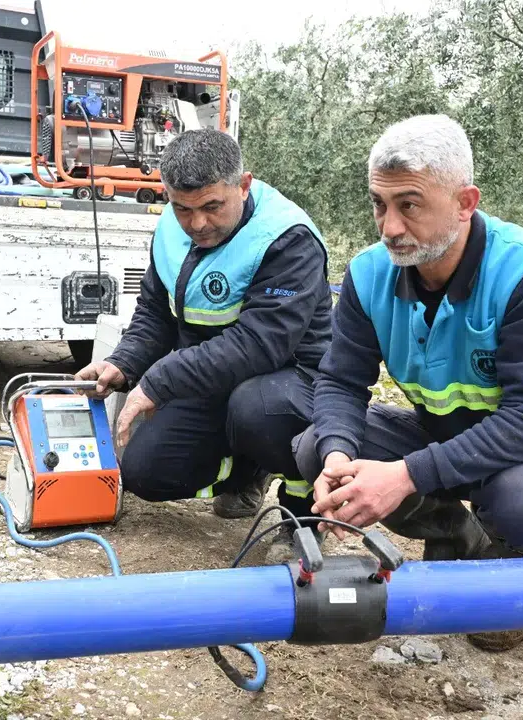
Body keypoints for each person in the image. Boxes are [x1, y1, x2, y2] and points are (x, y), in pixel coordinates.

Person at [296, 114, 523, 651]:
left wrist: (405, 476)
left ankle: (502, 555)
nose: (389, 226)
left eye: (409, 205)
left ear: (465, 203)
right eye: (379, 204)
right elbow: (340, 382)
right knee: (312, 447)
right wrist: (337, 454)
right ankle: (456, 534)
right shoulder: (369, 274)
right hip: (440, 441)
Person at [77, 128, 332, 523]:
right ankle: (247, 471)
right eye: (183, 209)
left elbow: (260, 345)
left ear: (243, 186)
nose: (197, 224)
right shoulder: (169, 230)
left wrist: (161, 380)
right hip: (216, 376)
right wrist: (124, 362)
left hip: (292, 378)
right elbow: (156, 313)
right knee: (145, 473)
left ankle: (302, 512)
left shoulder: (287, 238)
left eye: (213, 206)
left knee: (257, 409)